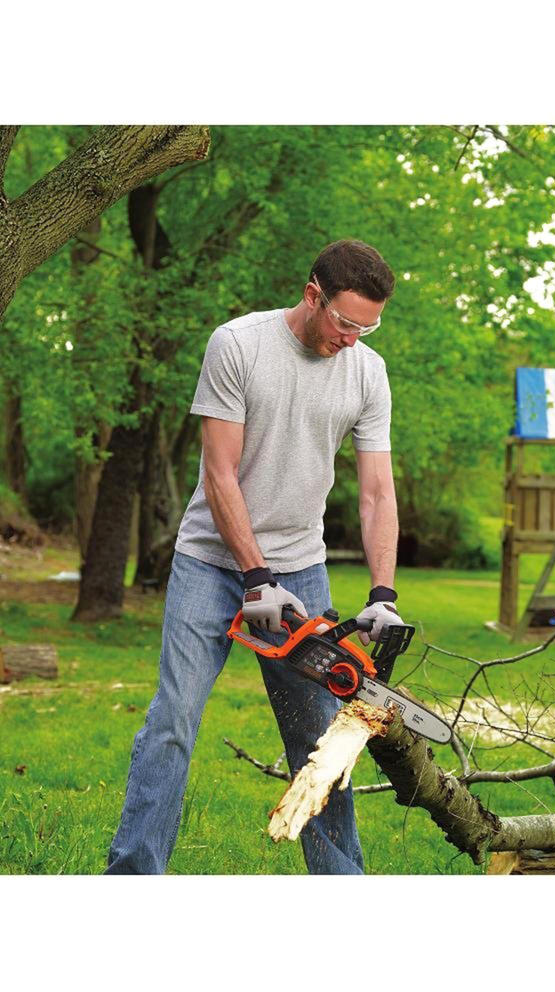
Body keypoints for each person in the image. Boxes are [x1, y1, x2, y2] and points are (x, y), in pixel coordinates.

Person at [105, 240, 404, 875]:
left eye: (368, 327)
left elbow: (377, 491)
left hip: (301, 565)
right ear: (312, 293)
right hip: (210, 563)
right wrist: (254, 576)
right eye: (345, 322)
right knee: (174, 719)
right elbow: (220, 474)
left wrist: (383, 593)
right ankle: (132, 876)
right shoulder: (239, 346)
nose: (353, 339)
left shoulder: (368, 372)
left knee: (318, 741)